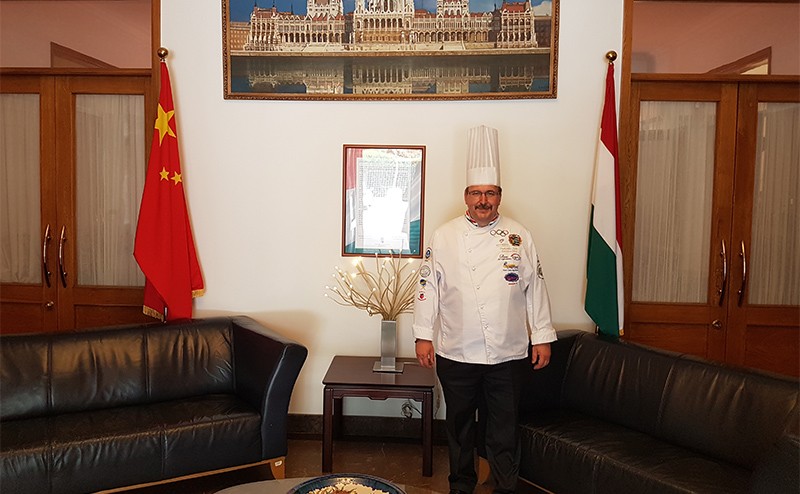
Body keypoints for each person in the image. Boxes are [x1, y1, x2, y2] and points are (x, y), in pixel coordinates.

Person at [412, 125, 557, 494]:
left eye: (490, 193)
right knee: (459, 427)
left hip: (508, 353)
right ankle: (461, 486)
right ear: (466, 196)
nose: (483, 200)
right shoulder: (444, 235)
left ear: (499, 197)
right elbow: (427, 288)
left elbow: (535, 287)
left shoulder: (519, 235)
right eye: (476, 192)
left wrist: (541, 337)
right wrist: (423, 336)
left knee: (504, 427)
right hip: (456, 351)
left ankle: (506, 487)